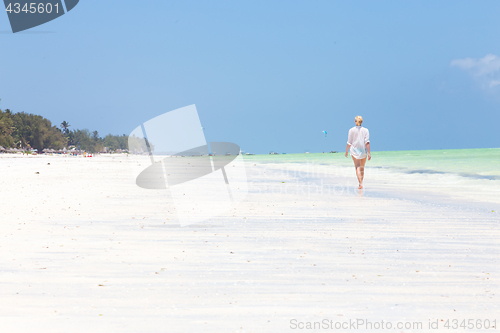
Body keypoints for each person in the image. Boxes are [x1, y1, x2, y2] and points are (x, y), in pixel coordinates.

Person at [345, 116, 371, 189]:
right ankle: (361, 183)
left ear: (355, 122)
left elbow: (349, 142)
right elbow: (367, 142)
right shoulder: (366, 130)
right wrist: (369, 153)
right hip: (363, 151)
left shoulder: (351, 130)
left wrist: (346, 151)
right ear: (362, 122)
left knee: (357, 167)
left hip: (354, 150)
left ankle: (360, 183)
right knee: (362, 167)